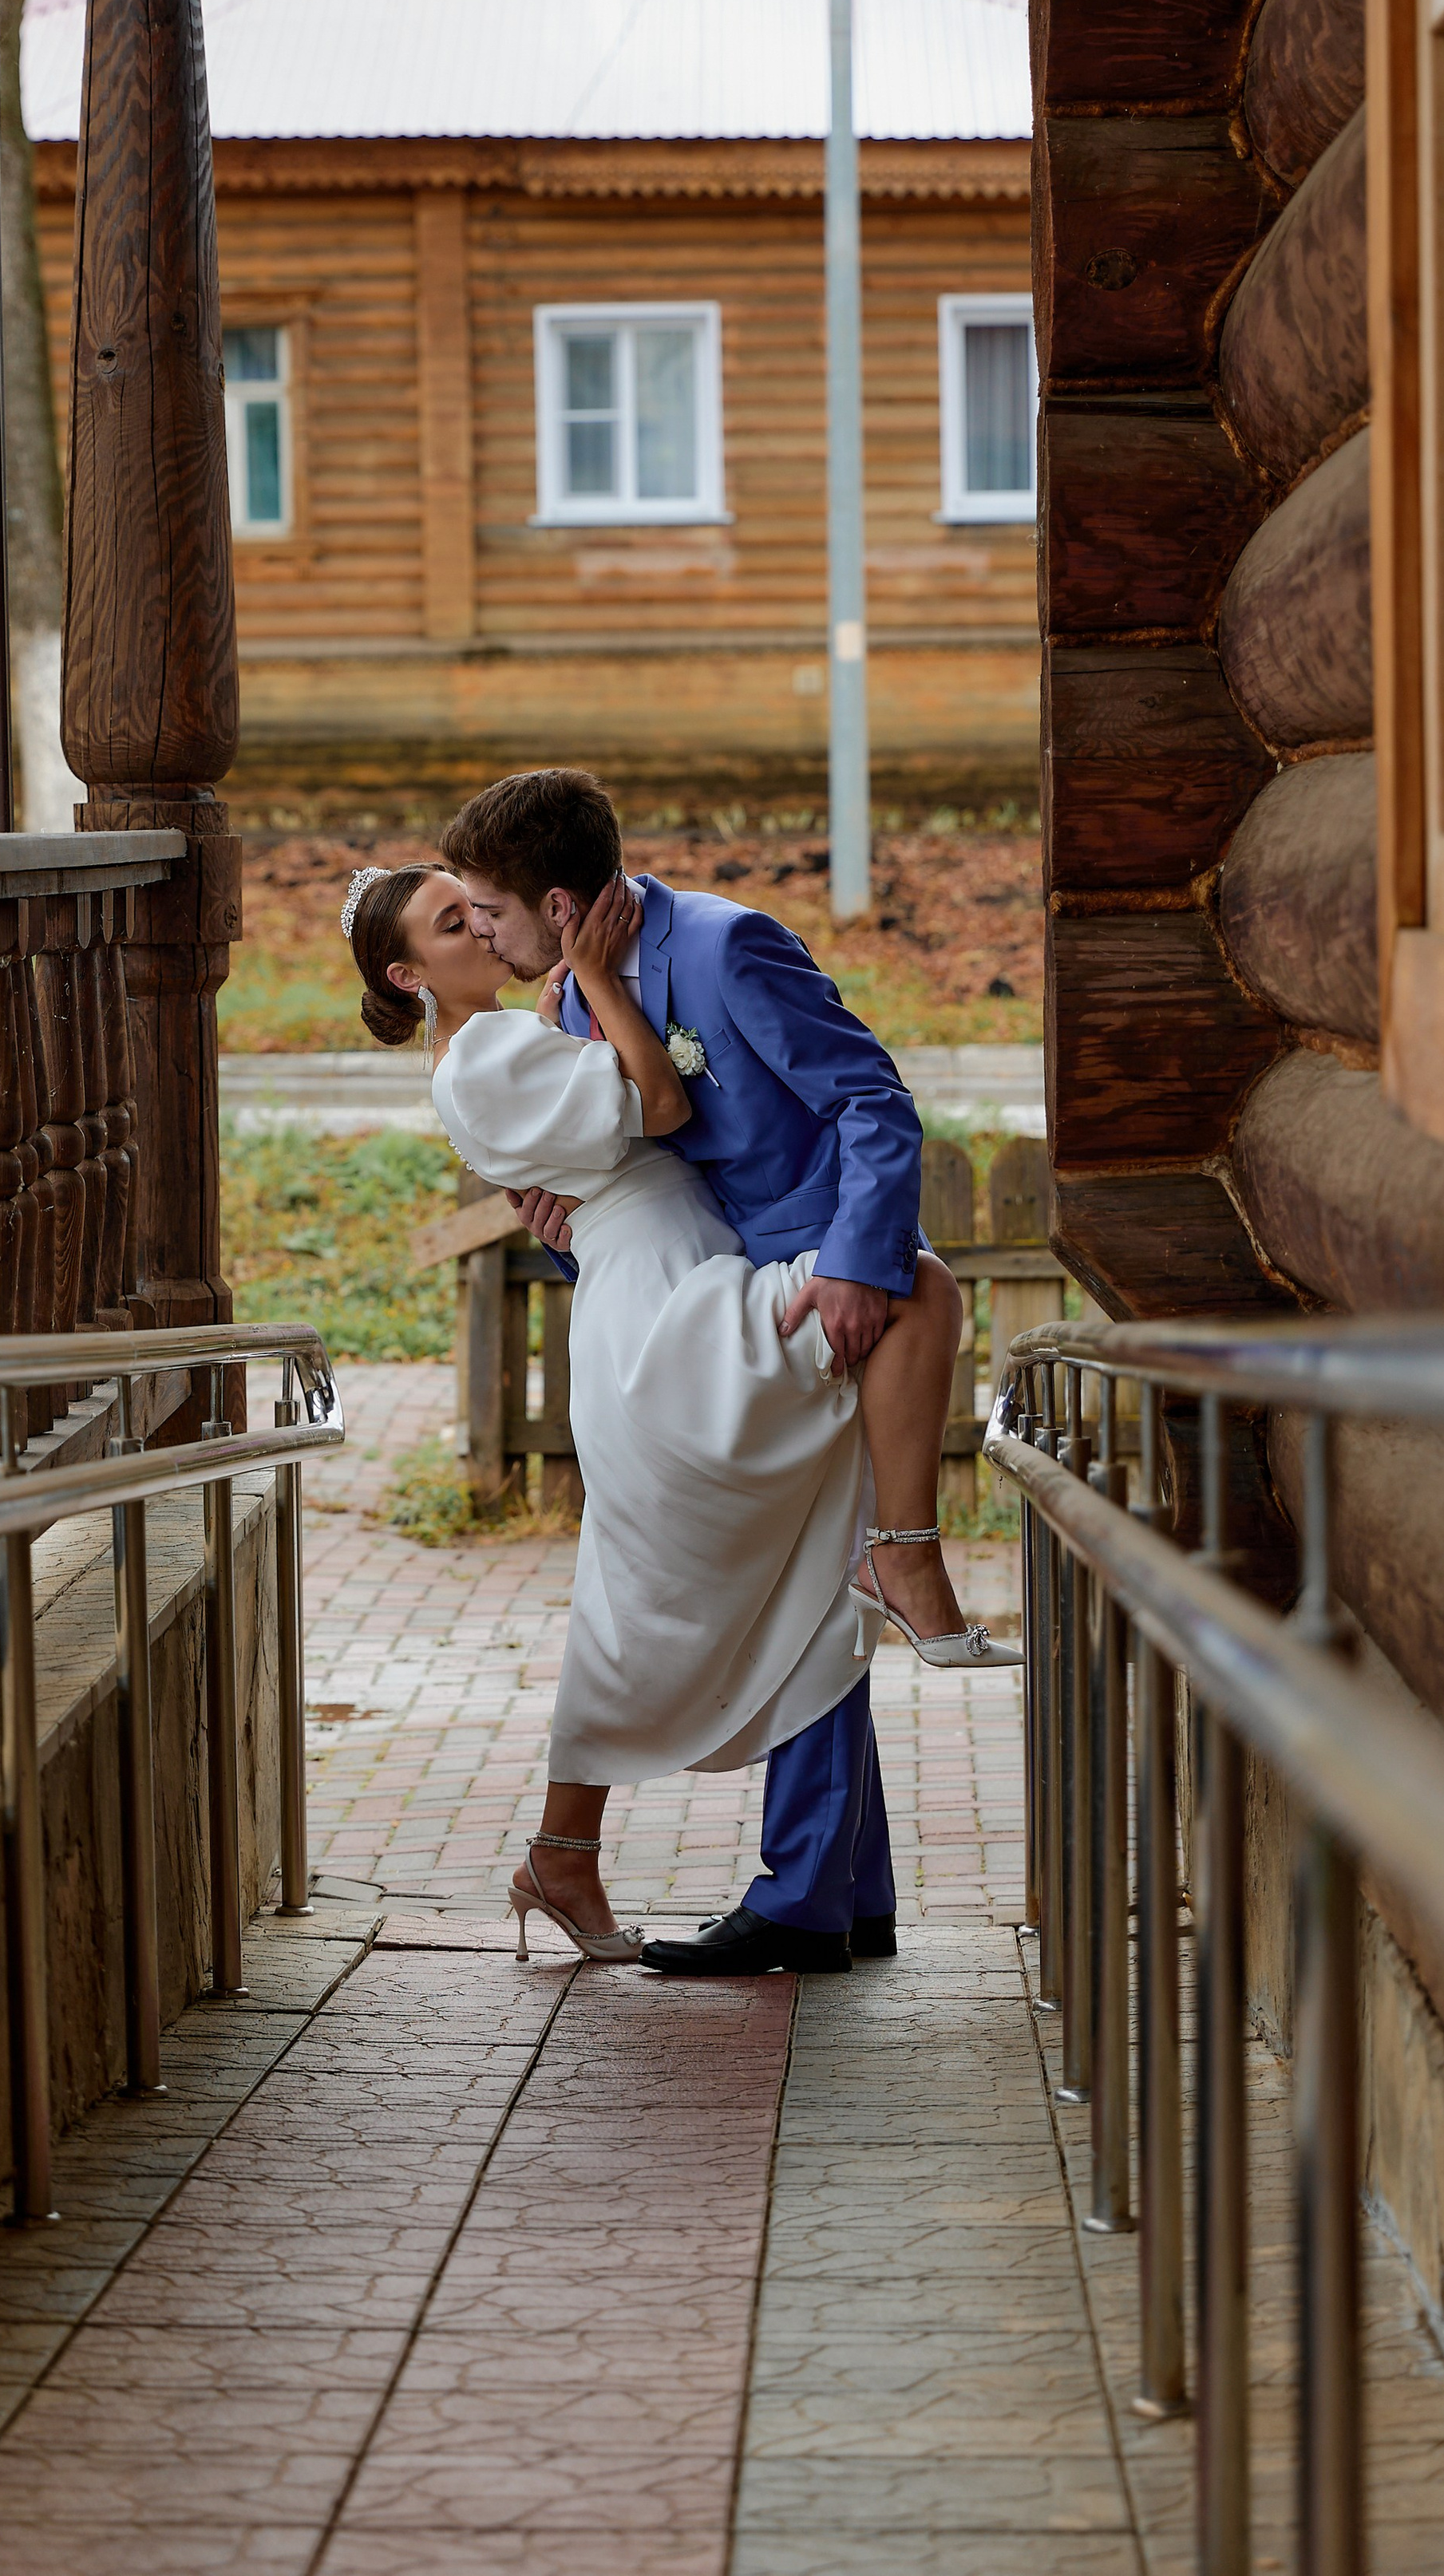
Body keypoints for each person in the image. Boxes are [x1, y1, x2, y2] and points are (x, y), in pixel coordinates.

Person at [434, 767, 1015, 1981]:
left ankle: (822, 1889)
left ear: (552, 898)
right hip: (705, 1303)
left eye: (488, 910)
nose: (483, 933)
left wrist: (860, 1260)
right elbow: (628, 1159)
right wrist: (562, 1212)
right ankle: (821, 1888)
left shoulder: (726, 944)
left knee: (827, 1527)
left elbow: (870, 1100)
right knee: (799, 1574)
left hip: (796, 1276)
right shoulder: (575, 1004)